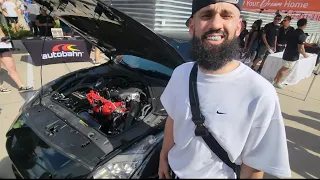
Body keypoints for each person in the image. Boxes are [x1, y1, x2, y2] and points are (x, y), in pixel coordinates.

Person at [158, 0, 291, 179]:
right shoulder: (181, 73)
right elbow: (173, 119)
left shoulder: (260, 92)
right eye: (206, 15)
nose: (215, 24)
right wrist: (163, 156)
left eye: (226, 15)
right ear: (192, 26)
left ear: (238, 27)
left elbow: (253, 168)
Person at [273, 19, 309, 89]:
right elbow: (300, 48)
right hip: (293, 55)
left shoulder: (292, 32)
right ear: (305, 25)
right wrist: (305, 55)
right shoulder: (302, 35)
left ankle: (275, 80)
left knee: (283, 68)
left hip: (287, 51)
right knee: (284, 69)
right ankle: (277, 82)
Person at [0, 28, 33, 93]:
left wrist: (4, 39)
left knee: (12, 67)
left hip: (2, 45)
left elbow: (1, 33)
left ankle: (21, 86)